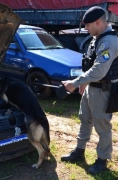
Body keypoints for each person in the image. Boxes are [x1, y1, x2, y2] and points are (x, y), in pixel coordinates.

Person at [60, 6, 118, 175]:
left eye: (87, 25)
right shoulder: (97, 37)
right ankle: (79, 151)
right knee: (84, 119)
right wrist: (84, 83)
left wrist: (75, 82)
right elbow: (90, 63)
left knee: (102, 126)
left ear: (98, 22)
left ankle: (102, 159)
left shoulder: (109, 41)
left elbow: (100, 70)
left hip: (103, 91)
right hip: (91, 87)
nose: (85, 28)